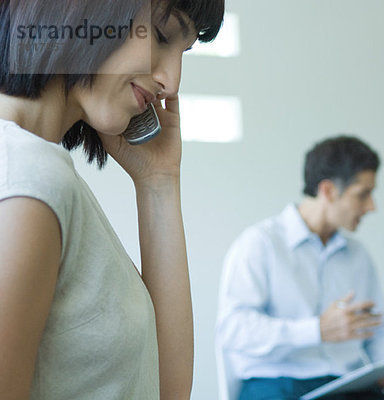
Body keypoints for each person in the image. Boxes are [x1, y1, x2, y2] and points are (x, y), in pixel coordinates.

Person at [0, 1, 223, 399]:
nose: (171, 82)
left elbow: (165, 389)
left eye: (182, 54)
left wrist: (158, 181)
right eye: (160, 34)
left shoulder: (45, 175)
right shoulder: (29, 176)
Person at [216, 135, 384, 400]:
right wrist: (317, 330)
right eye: (363, 194)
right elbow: (234, 328)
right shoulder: (260, 244)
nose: (371, 207)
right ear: (329, 191)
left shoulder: (358, 255)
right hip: (277, 384)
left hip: (346, 385)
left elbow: (379, 327)